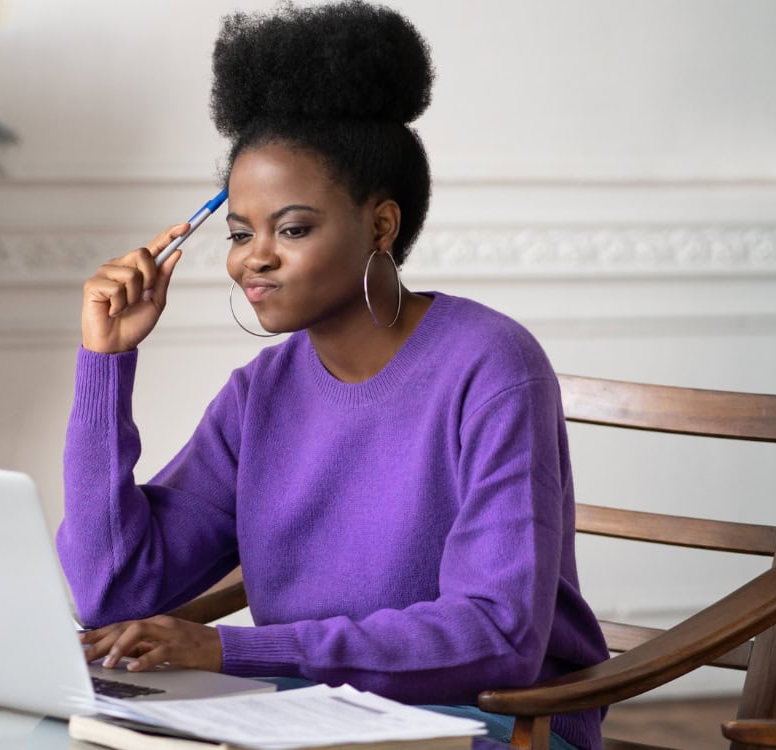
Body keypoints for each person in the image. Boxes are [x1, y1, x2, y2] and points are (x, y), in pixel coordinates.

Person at [56, 3, 610, 749]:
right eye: (241, 233)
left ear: (380, 226)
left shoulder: (492, 367)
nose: (256, 257)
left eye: (292, 228)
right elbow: (112, 588)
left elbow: (497, 632)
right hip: (301, 717)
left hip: (493, 722)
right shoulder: (262, 394)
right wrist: (106, 363)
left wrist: (231, 649)